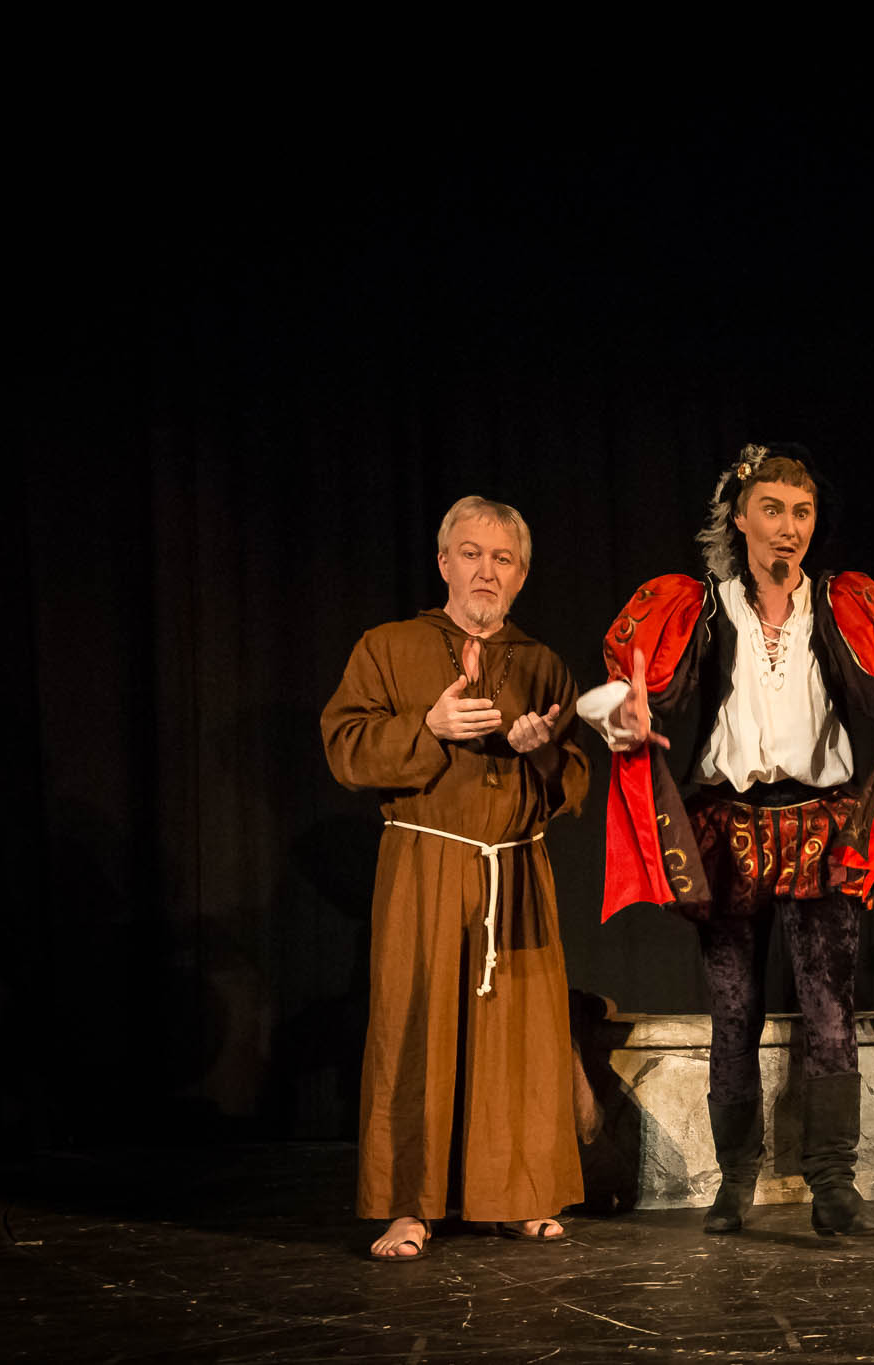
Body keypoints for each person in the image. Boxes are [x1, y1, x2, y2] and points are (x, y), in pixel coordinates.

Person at [577, 444, 874, 1237]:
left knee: (830, 1011)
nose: (788, 526)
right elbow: (625, 693)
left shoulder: (843, 605)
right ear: (739, 517)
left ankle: (833, 1186)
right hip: (727, 827)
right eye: (771, 509)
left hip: (820, 825)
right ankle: (734, 1182)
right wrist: (625, 715)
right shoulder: (697, 606)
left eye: (801, 512)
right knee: (733, 1012)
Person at [322, 496, 589, 1260]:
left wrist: (541, 748)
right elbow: (345, 747)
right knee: (416, 1029)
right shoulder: (388, 646)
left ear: (522, 575)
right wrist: (428, 727)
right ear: (444, 562)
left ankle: (517, 1195)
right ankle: (409, 1206)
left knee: (519, 1035)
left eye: (503, 559)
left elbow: (574, 779)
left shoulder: (542, 664)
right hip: (425, 863)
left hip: (516, 868)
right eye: (471, 553)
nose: (486, 571)